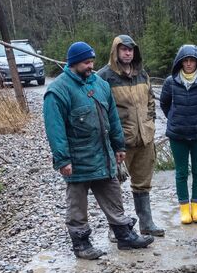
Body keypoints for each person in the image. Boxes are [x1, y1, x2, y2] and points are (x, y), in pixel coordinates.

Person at [43, 41, 154, 259]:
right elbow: (54, 129)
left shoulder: (100, 85)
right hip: (78, 160)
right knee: (77, 206)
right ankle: (81, 244)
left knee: (114, 196)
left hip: (104, 156)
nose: (91, 66)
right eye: (86, 62)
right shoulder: (58, 90)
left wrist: (118, 145)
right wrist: (63, 160)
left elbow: (112, 117)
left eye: (92, 61)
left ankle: (124, 236)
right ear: (73, 63)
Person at [98, 34, 164, 236]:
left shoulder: (142, 74)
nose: (128, 52)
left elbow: (151, 102)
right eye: (124, 49)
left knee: (143, 183)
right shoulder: (104, 76)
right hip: (119, 141)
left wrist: (149, 124)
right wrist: (109, 136)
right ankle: (116, 228)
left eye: (131, 49)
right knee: (113, 185)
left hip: (144, 138)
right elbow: (100, 109)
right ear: (115, 51)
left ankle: (146, 223)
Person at [158, 44, 197, 225]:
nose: (189, 63)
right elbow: (164, 104)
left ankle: (196, 209)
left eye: (192, 60)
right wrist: (176, 118)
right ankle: (184, 209)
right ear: (180, 62)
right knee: (181, 172)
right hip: (177, 134)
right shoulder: (170, 82)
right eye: (186, 60)